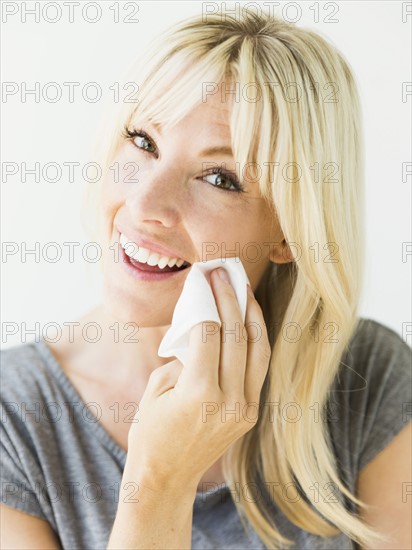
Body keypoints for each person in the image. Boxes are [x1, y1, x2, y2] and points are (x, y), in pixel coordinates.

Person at [1, 10, 411, 550]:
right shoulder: (15, 421)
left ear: (290, 232)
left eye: (220, 178)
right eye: (143, 142)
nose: (144, 204)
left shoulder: (369, 379)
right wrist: (160, 481)